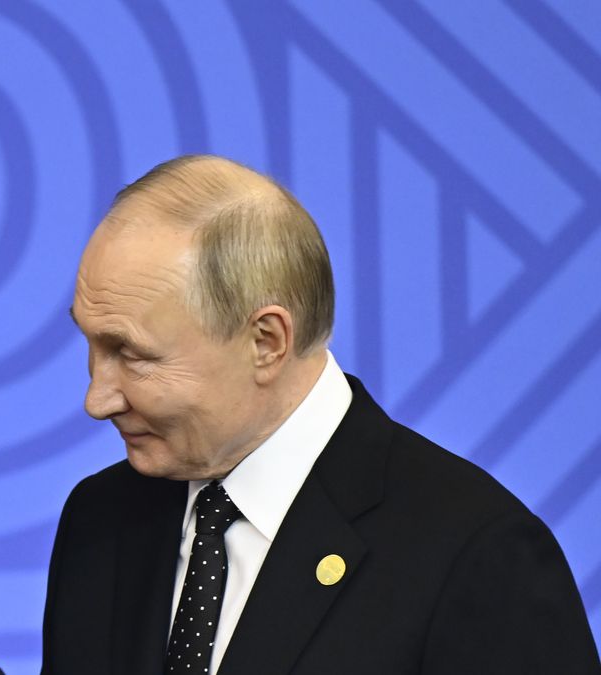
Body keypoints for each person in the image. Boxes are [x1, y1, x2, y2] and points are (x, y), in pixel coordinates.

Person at [42, 155, 599, 674]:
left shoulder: (476, 556)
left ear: (266, 341)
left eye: (131, 355)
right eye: (90, 345)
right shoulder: (100, 520)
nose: (97, 399)